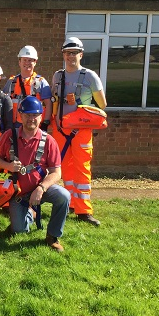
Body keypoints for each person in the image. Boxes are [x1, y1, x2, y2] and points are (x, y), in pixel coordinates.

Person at [0, 96, 70, 251]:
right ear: (20, 116)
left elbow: (56, 172)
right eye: (27, 115)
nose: (31, 119)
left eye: (35, 115)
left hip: (40, 189)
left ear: (41, 117)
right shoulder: (10, 135)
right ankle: (30, 214)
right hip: (18, 193)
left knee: (64, 196)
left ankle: (53, 236)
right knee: (19, 230)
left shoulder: (48, 141)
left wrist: (41, 188)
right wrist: (8, 165)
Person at [51, 37, 107, 226]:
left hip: (81, 130)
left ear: (81, 55)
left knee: (82, 169)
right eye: (67, 53)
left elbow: (102, 105)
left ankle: (84, 210)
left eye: (74, 53)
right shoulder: (58, 76)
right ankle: (70, 204)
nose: (71, 56)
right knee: (65, 169)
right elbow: (55, 102)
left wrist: (81, 107)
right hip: (61, 129)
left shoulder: (90, 76)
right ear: (63, 55)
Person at [3, 45, 53, 130]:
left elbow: (48, 104)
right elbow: (3, 102)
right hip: (14, 126)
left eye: (30, 60)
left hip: (33, 127)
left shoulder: (41, 82)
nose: (27, 63)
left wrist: (45, 122)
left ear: (35, 62)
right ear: (19, 62)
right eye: (24, 60)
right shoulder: (11, 81)